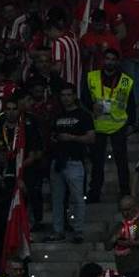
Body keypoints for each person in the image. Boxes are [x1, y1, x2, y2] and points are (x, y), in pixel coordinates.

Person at [83, 48, 134, 202]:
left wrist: (131, 123)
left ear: (117, 62)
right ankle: (94, 193)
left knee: (122, 162)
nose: (110, 62)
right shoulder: (91, 77)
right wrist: (92, 105)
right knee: (97, 163)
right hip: (97, 125)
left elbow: (131, 103)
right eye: (107, 58)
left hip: (118, 125)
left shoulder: (126, 80)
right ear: (103, 60)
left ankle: (125, 191)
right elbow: (84, 98)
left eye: (113, 59)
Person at [47, 84, 94, 243]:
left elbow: (91, 138)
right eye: (63, 95)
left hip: (75, 160)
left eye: (69, 95)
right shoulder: (57, 115)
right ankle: (58, 230)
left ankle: (78, 230)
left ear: (74, 96)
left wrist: (71, 138)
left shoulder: (83, 115)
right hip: (58, 160)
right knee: (57, 198)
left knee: (77, 198)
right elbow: (52, 134)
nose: (66, 98)